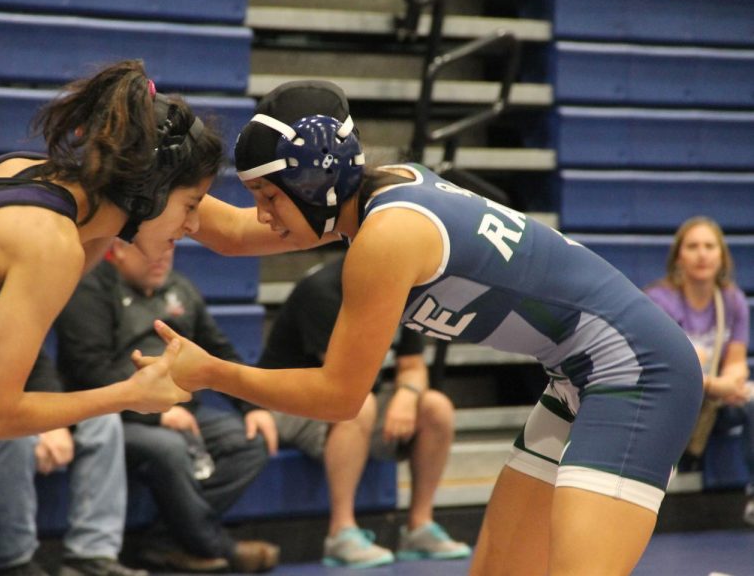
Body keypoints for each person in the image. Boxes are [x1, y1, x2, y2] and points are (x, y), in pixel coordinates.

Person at [152, 80, 704, 576]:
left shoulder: (388, 236)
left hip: (639, 370)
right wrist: (151, 175)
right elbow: (228, 232)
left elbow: (340, 396)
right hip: (580, 375)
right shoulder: (373, 200)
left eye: (269, 197)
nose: (264, 214)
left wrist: (210, 373)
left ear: (314, 180)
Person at [0, 59, 230, 574]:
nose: (193, 226)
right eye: (191, 205)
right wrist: (131, 394)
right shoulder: (49, 244)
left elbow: (234, 232)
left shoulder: (23, 172)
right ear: (151, 189)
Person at [56, 241, 280, 573]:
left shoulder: (181, 288)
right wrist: (152, 408)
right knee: (169, 448)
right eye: (151, 249)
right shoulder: (89, 289)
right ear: (118, 249)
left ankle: (167, 540)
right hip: (111, 414)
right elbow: (91, 369)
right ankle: (219, 547)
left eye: (170, 247)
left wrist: (252, 407)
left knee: (249, 443)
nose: (163, 257)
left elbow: (219, 351)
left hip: (182, 409)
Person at [260, 255, 471, 568]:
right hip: (287, 401)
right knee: (357, 406)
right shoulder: (322, 291)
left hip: (355, 396)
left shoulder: (400, 288)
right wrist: (399, 394)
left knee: (435, 407)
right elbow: (343, 380)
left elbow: (413, 366)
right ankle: (340, 533)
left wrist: (406, 396)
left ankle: (419, 526)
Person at [0, 344, 146, 576]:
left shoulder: (7, 307)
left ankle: (91, 557)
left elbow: (40, 367)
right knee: (11, 436)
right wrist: (32, 422)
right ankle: (15, 562)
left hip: (14, 409)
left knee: (102, 422)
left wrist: (54, 421)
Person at [645, 216, 753, 526]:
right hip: (671, 397)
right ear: (679, 256)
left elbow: (736, 360)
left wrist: (731, 382)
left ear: (722, 256)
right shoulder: (659, 300)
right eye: (692, 247)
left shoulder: (732, 300)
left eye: (709, 246)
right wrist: (714, 385)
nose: (702, 254)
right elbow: (663, 368)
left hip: (714, 401)